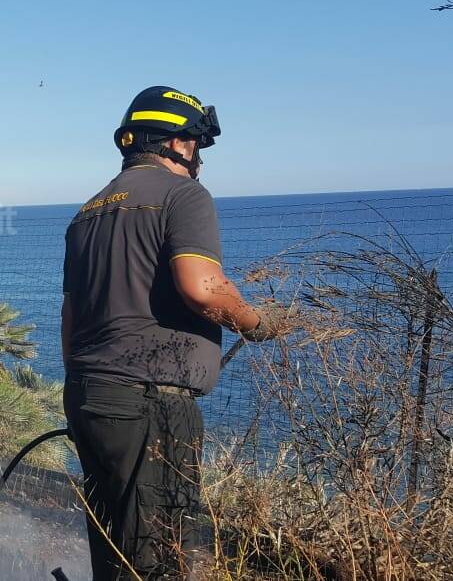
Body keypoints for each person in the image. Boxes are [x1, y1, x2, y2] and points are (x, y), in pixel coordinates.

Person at [61, 86, 292, 580]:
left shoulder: (89, 212)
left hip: (88, 394)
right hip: (150, 404)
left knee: (115, 545)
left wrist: (83, 383)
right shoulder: (183, 195)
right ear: (178, 144)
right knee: (163, 551)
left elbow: (70, 317)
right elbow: (204, 289)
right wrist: (259, 324)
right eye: (198, 146)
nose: (200, 159)